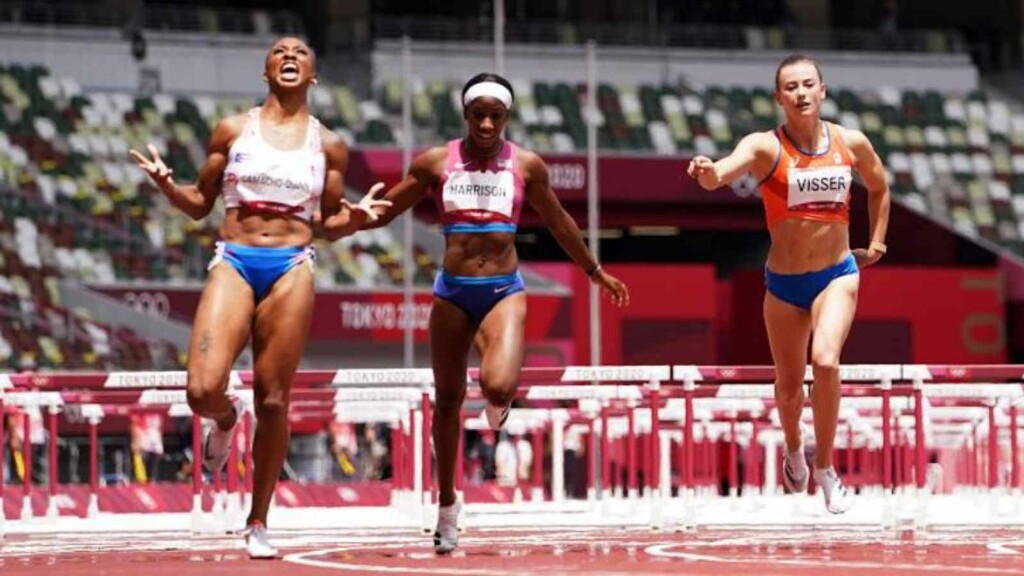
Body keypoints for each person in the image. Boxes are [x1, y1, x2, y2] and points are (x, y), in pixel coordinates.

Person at [130, 37, 389, 558]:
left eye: (301, 52)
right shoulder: (233, 129)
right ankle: (225, 422)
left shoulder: (329, 144)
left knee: (274, 399)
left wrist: (356, 219)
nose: (290, 55)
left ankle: (258, 521)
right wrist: (166, 186)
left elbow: (329, 223)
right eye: (280, 51)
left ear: (313, 75)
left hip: (292, 265)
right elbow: (199, 206)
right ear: (266, 70)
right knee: (202, 390)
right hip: (236, 259)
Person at [359, 73, 629, 552]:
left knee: (498, 386)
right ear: (465, 114)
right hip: (452, 291)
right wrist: (346, 221)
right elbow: (389, 207)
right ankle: (447, 508)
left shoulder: (525, 166)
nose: (486, 123)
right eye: (478, 114)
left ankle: (499, 400)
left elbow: (560, 222)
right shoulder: (436, 162)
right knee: (446, 400)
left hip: (503, 289)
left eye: (496, 116)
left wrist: (594, 270)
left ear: (507, 118)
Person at [688, 55, 890, 514]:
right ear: (779, 98)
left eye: (808, 85)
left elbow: (879, 186)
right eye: (790, 87)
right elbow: (722, 173)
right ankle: (795, 448)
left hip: (836, 275)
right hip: (782, 285)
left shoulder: (850, 141)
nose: (800, 93)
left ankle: (826, 468)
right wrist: (707, 172)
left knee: (825, 360)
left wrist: (876, 243)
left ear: (823, 90)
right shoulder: (765, 147)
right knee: (786, 388)